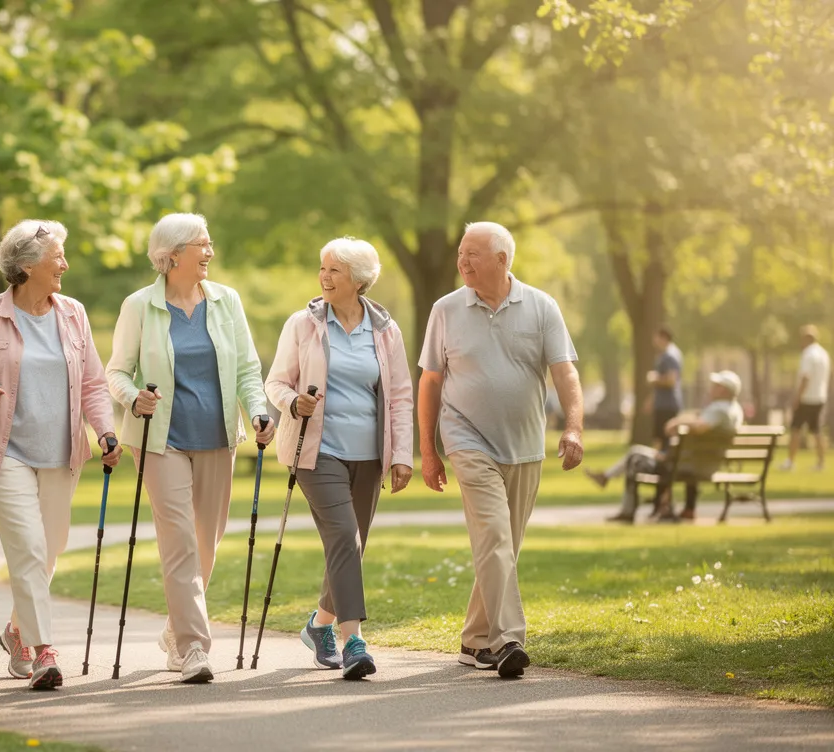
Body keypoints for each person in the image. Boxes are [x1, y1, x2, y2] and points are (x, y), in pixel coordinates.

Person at [0, 220, 122, 690]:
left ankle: (16, 631)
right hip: (5, 452)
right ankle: (45, 650)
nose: (64, 264)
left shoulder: (72, 313)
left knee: (49, 550)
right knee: (27, 548)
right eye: (58, 257)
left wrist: (106, 431)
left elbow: (91, 383)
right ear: (27, 266)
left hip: (62, 452)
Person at [106, 212, 274, 684]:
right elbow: (116, 370)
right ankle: (194, 648)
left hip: (218, 438)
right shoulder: (140, 305)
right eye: (203, 244)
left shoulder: (226, 301)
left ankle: (176, 628)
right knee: (178, 543)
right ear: (173, 253)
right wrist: (131, 396)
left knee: (206, 544)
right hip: (162, 442)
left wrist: (259, 411)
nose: (210, 252)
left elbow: (246, 369)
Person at [417, 221, 584, 679]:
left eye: (473, 254)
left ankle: (474, 642)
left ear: (502, 260)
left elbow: (564, 373)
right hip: (466, 437)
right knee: (494, 535)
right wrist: (429, 451)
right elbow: (430, 381)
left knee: (503, 546)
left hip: (525, 445)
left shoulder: (541, 306)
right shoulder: (446, 310)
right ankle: (508, 639)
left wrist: (573, 428)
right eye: (459, 253)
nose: (462, 262)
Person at [264, 237, 414, 681]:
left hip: (369, 455)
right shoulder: (303, 324)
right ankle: (355, 644)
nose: (324, 277)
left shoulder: (385, 330)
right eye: (322, 268)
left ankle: (319, 625)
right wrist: (293, 403)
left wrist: (401, 454)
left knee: (350, 545)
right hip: (316, 451)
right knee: (345, 537)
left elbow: (401, 396)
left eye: (334, 270)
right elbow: (276, 382)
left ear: (359, 279)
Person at [588, 370, 744, 523]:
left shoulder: (719, 410)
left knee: (635, 456)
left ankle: (627, 509)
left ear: (723, 390)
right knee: (640, 454)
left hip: (686, 465)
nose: (711, 388)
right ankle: (608, 478)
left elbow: (700, 427)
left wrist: (677, 422)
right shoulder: (734, 410)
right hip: (705, 463)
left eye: (715, 385)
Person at [781, 325, 829, 471]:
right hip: (820, 397)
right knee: (817, 431)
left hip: (806, 398)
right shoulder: (824, 354)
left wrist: (797, 397)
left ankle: (790, 461)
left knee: (795, 429)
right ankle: (821, 462)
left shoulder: (808, 354)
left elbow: (805, 378)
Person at [643, 326, 683, 449]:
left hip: (667, 406)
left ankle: (658, 466)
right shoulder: (669, 354)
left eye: (656, 337)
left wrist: (654, 378)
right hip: (664, 404)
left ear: (663, 338)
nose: (654, 340)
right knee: (662, 439)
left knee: (662, 440)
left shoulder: (669, 355)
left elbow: (671, 380)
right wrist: (651, 400)